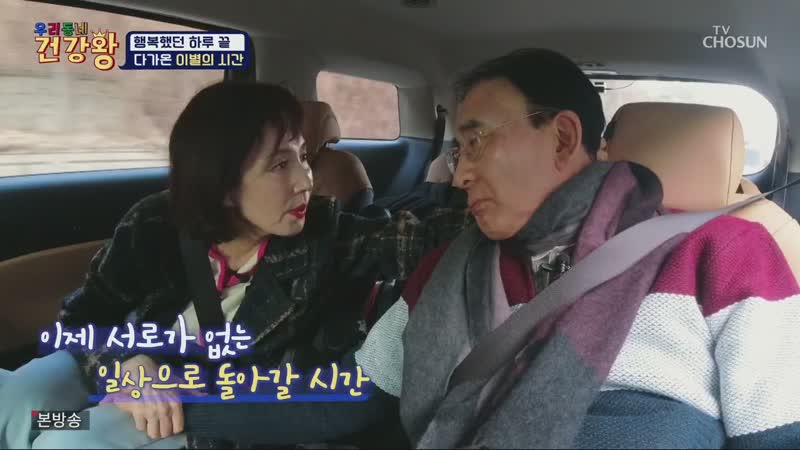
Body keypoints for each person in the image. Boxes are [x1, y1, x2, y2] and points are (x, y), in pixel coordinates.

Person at [356, 48, 800, 448]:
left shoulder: (724, 254)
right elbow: (359, 389)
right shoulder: (446, 268)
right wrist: (304, 384)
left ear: (563, 138)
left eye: (476, 142)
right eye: (458, 152)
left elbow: (781, 436)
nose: (460, 177)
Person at [0, 81, 470, 449]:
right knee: (21, 405)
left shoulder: (328, 237)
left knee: (71, 438)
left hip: (202, 404)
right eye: (280, 165)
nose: (306, 180)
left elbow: (430, 235)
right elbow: (82, 318)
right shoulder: (155, 224)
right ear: (223, 185)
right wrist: (127, 363)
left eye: (302, 157)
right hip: (123, 372)